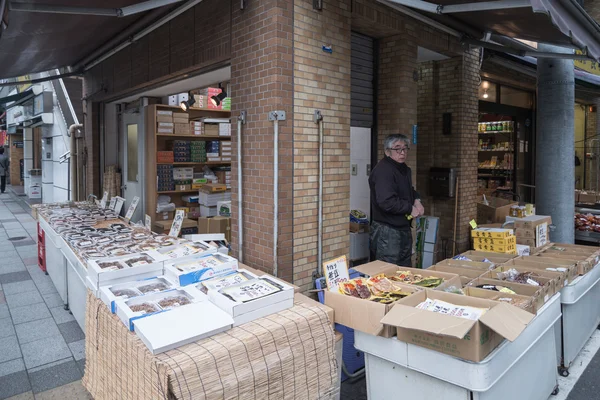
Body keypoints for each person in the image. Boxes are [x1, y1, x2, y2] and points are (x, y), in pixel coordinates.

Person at [369, 134, 424, 266]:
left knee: (404, 269)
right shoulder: (384, 171)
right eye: (397, 149)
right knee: (387, 269)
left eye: (405, 148)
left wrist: (417, 200)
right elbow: (386, 201)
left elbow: (407, 190)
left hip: (403, 227)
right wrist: (409, 208)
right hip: (387, 231)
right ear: (387, 152)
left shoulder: (403, 169)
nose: (402, 152)